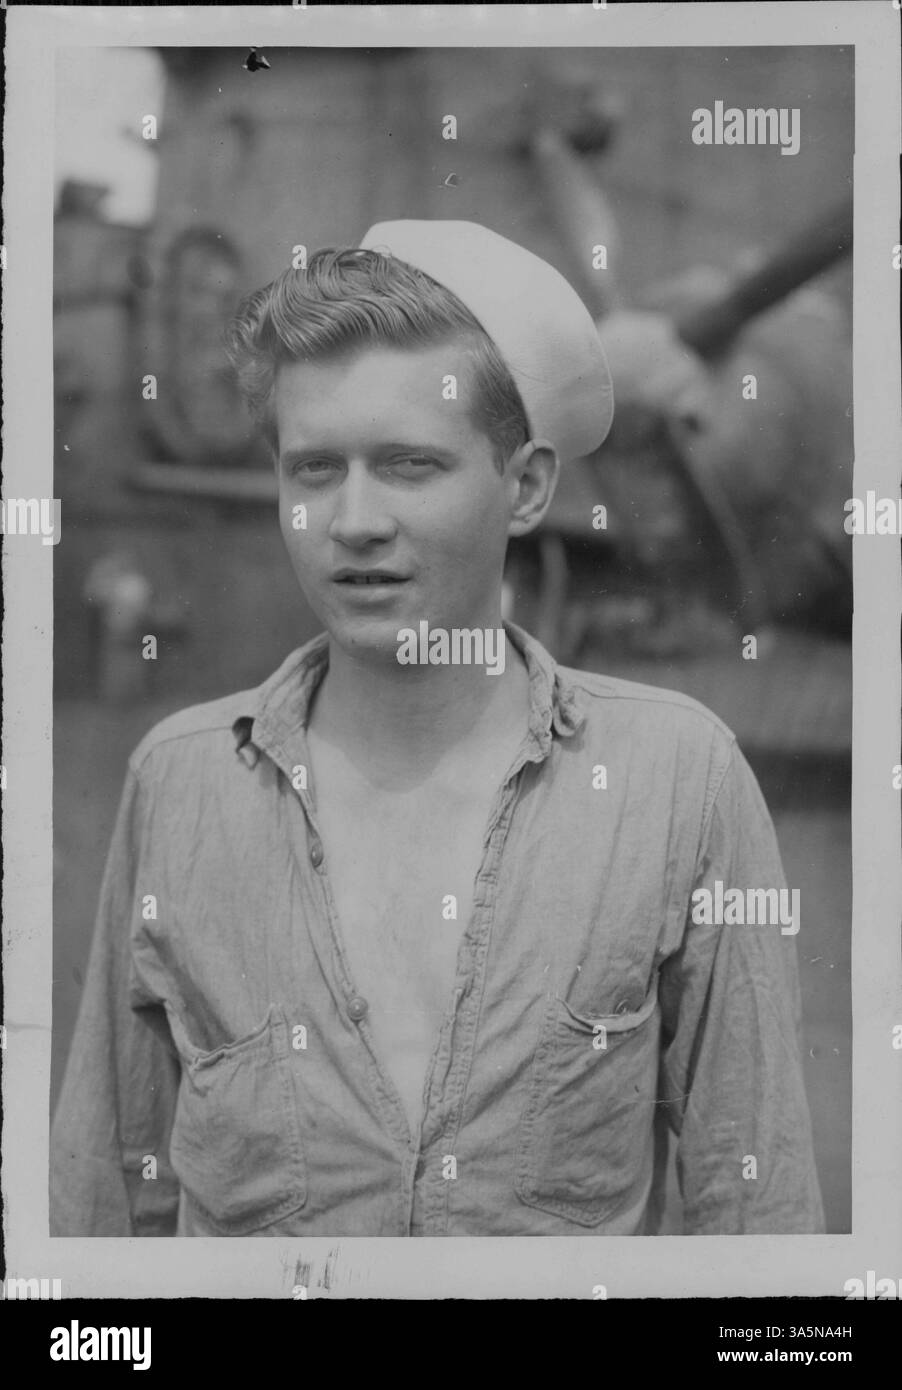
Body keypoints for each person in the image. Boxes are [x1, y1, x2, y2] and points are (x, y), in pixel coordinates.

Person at [50, 219, 824, 1236]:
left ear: (527, 487)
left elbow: (754, 1209)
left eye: (410, 465)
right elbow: (108, 1199)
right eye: (313, 469)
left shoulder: (676, 781)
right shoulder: (180, 784)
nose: (353, 520)